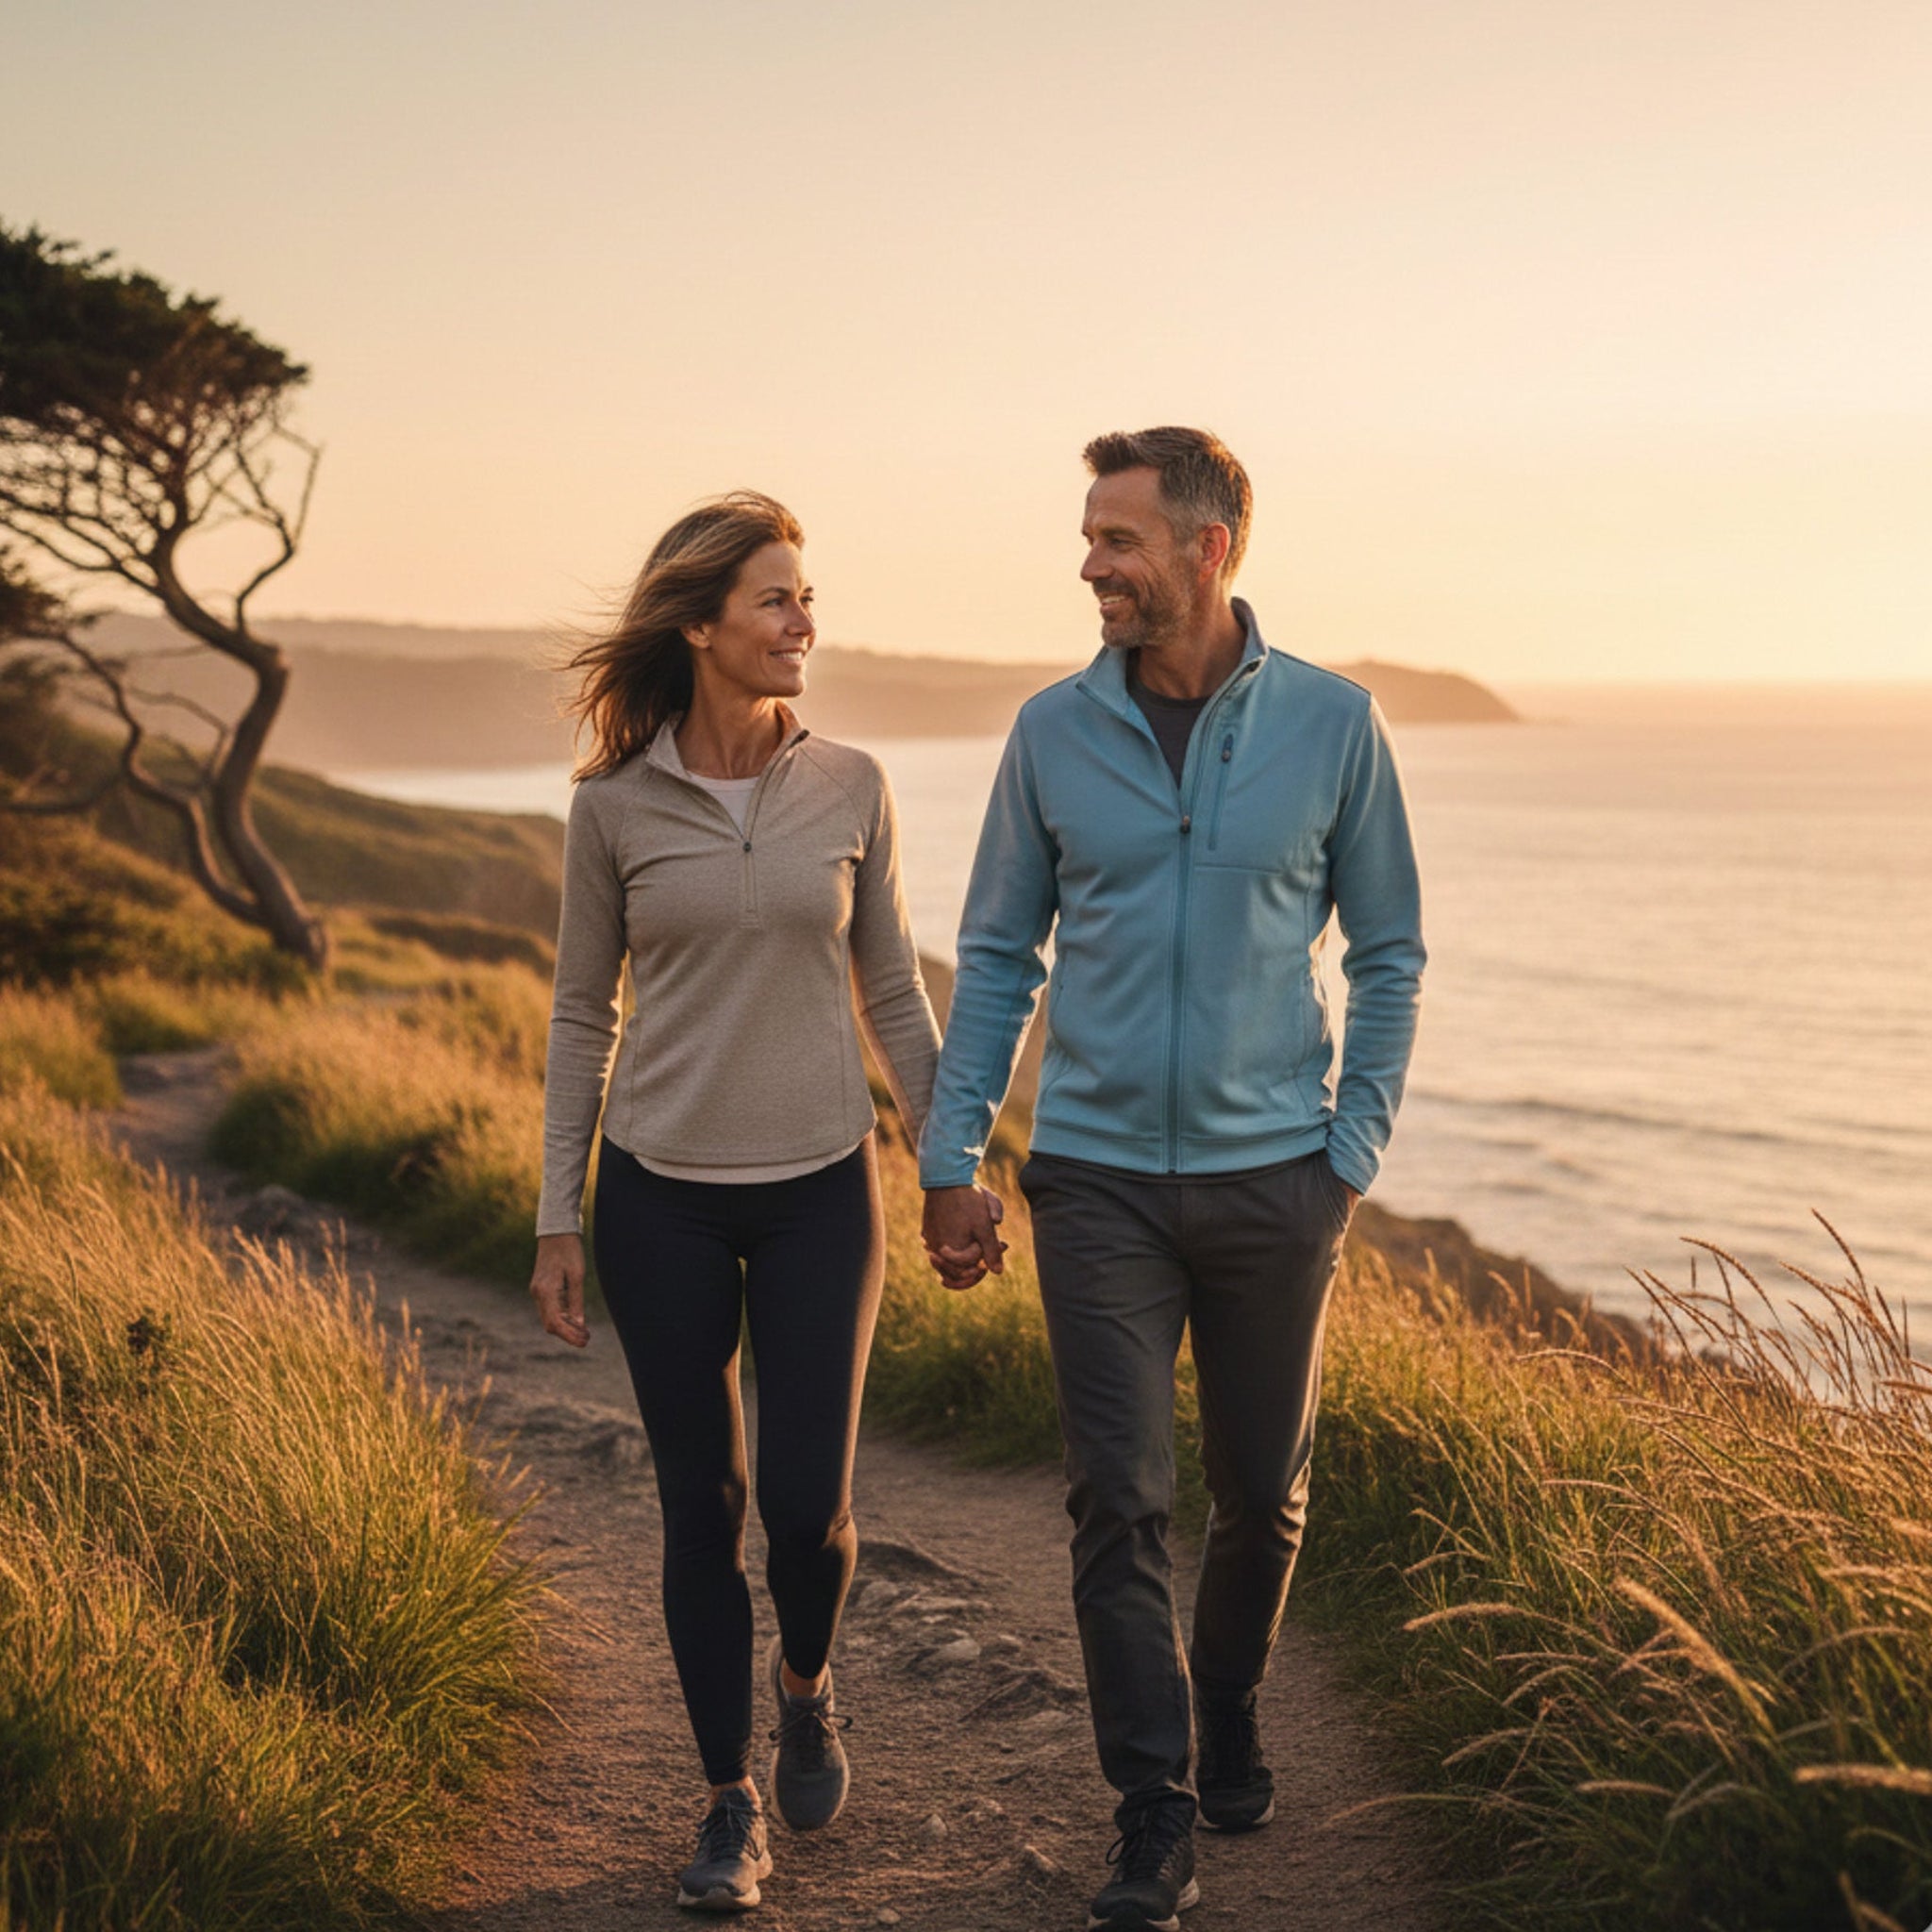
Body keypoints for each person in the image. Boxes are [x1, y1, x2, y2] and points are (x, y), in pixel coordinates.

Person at [919, 428, 1424, 1932]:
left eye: (1117, 540)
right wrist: (954, 1157)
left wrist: (1350, 1158)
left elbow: (1390, 951)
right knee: (1118, 1499)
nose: (1090, 565)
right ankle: (1153, 1802)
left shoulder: (1335, 726)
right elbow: (1000, 957)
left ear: (1210, 550)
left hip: (1282, 1181)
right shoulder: (1049, 733)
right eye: (1088, 538)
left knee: (1263, 1498)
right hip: (1096, 1187)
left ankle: (1236, 1708)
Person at [530, 491, 943, 1914]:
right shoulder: (611, 809)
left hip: (826, 1188)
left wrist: (949, 1162)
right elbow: (583, 1015)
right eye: (776, 601)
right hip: (661, 1203)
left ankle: (807, 1687)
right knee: (699, 1510)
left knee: (811, 1514)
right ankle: (727, 1802)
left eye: (805, 598)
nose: (804, 623)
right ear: (699, 626)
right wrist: (554, 1219)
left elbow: (891, 986)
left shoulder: (854, 784)